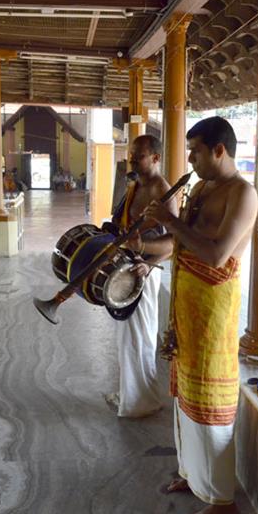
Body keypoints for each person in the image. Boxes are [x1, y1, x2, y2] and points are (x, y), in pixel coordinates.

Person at [131, 117, 258, 514]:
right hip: (186, 307)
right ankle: (193, 474)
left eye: (196, 151)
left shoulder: (243, 194)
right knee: (185, 399)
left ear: (219, 150)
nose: (189, 159)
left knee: (211, 407)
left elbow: (218, 255)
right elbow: (180, 243)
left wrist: (171, 222)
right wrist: (147, 253)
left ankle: (222, 501)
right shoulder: (201, 187)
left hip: (213, 312)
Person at [107, 134, 178, 418]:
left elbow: (173, 243)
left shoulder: (164, 191)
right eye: (131, 155)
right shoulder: (136, 184)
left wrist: (148, 265)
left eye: (139, 156)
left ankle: (143, 401)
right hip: (126, 265)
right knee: (126, 338)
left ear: (156, 158)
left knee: (141, 337)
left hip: (144, 272)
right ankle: (130, 394)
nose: (132, 160)